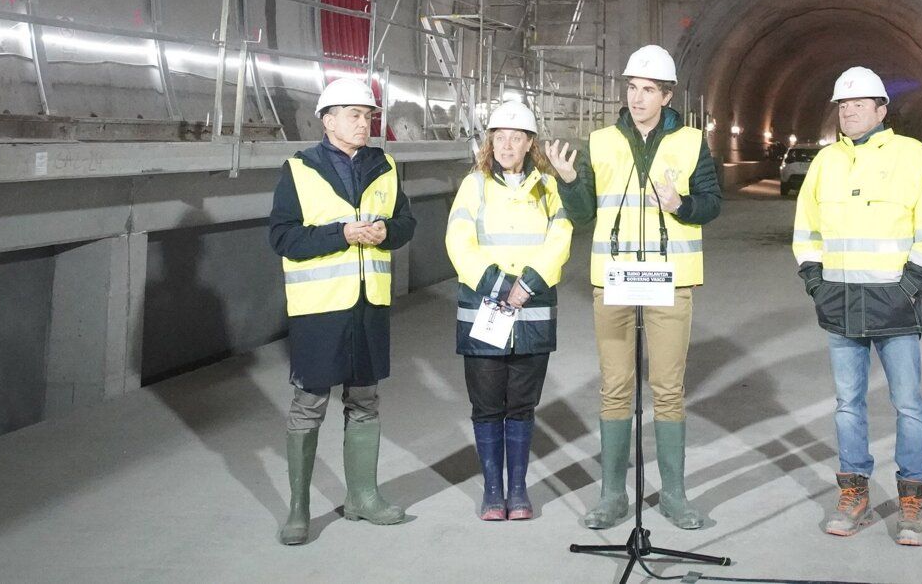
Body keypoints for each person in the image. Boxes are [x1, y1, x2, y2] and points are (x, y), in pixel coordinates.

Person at [549, 44, 721, 531]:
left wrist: (680, 203)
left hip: (671, 280)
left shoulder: (691, 142)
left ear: (667, 96)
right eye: (632, 88)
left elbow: (711, 204)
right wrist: (567, 181)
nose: (638, 97)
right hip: (615, 279)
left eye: (648, 89)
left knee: (668, 389)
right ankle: (610, 496)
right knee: (615, 388)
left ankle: (674, 495)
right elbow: (584, 214)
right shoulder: (600, 141)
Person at [792, 67, 922, 548]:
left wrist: (910, 286)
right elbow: (807, 230)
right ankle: (854, 493)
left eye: (860, 103)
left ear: (882, 110)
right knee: (847, 406)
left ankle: (911, 501)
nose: (850, 110)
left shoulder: (911, 158)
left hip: (895, 307)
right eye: (843, 104)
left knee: (908, 406)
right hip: (840, 304)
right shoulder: (825, 163)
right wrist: (816, 282)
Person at [267, 73, 417, 545]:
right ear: (328, 121)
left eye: (368, 115)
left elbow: (405, 222)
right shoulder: (299, 169)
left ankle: (363, 497)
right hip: (319, 307)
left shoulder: (385, 166)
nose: (364, 123)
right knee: (309, 403)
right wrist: (343, 235)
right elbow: (283, 236)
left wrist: (385, 233)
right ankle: (299, 510)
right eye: (354, 115)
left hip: (368, 302)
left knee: (365, 400)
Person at [445, 98, 573, 521]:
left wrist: (529, 284)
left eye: (515, 137)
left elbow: (561, 237)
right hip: (485, 309)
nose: (506, 145)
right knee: (486, 405)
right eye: (499, 137)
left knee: (521, 404)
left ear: (529, 143)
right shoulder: (474, 185)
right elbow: (459, 242)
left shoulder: (547, 188)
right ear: (490, 142)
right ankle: (492, 491)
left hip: (532, 314)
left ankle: (517, 491)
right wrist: (501, 286)